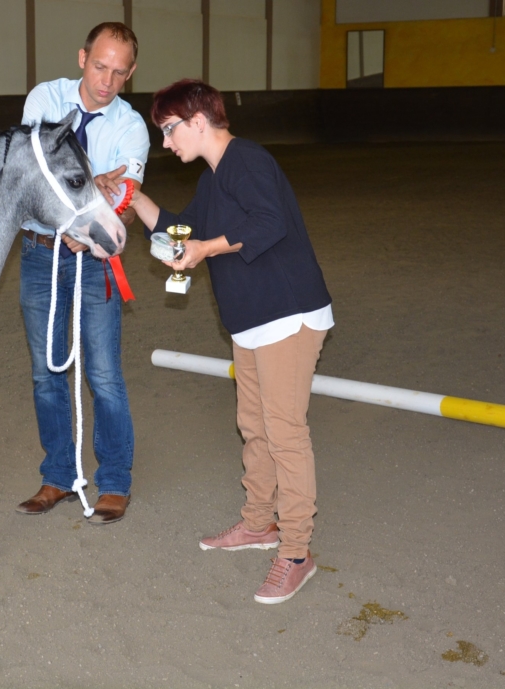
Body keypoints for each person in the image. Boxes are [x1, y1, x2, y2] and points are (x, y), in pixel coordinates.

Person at [128, 79, 333, 603]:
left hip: (289, 314)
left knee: (285, 432)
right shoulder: (215, 180)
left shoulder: (248, 160)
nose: (167, 143)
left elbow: (270, 223)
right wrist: (131, 198)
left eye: (169, 130)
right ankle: (259, 524)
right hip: (252, 321)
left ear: (198, 120)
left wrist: (205, 249)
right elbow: (180, 231)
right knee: (254, 425)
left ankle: (296, 552)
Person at [15, 22, 150, 524]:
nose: (106, 81)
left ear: (130, 73)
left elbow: (126, 202)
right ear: (82, 57)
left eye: (119, 72)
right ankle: (59, 476)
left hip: (95, 260)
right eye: (99, 66)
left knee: (103, 374)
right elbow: (28, 178)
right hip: (39, 253)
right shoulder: (42, 102)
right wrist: (91, 183)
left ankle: (114, 481)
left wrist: (94, 214)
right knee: (46, 372)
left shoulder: (131, 128)